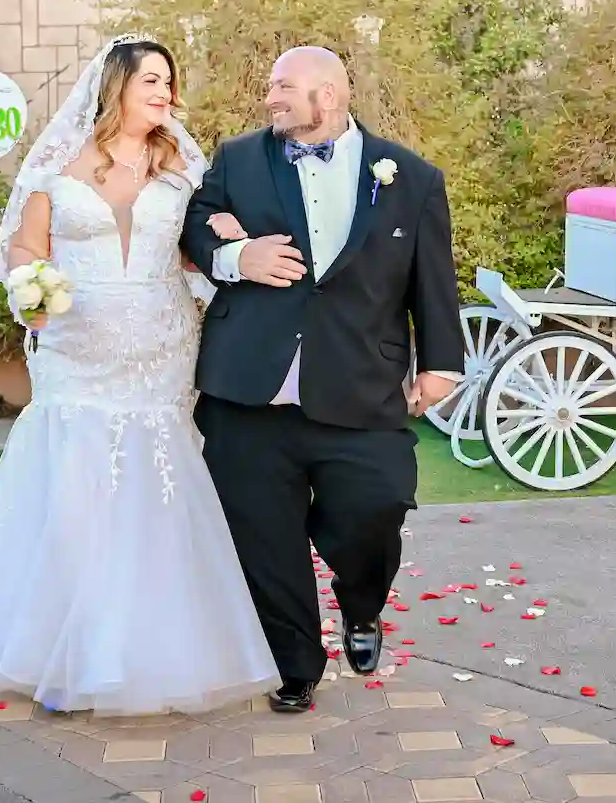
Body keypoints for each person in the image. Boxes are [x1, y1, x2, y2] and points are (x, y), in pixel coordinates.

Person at [0, 34, 279, 716]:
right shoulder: (61, 160)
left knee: (154, 489)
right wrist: (29, 296)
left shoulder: (181, 160)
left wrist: (241, 251)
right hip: (75, 345)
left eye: (168, 82)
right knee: (75, 494)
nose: (163, 93)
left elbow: (204, 242)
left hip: (160, 345)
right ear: (115, 84)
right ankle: (61, 651)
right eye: (150, 79)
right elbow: (26, 249)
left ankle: (150, 650)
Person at [182, 46, 467, 714]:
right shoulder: (238, 159)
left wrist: (441, 363)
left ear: (329, 96)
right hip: (248, 390)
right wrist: (235, 255)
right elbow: (195, 225)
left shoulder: (412, 178)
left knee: (377, 507)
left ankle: (361, 608)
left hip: (362, 386)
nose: (270, 98)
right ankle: (294, 665)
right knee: (262, 536)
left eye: (284, 86)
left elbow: (434, 280)